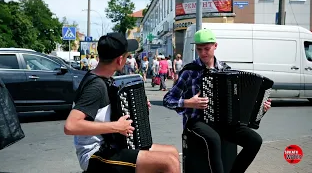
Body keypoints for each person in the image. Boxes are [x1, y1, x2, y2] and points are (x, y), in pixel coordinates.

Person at [64, 32, 180, 173]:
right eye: (126, 56)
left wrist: (138, 107)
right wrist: (117, 127)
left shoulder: (106, 79)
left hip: (112, 144)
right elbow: (71, 125)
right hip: (95, 154)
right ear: (120, 60)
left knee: (172, 152)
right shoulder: (95, 87)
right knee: (167, 163)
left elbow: (109, 111)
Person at [163, 29, 272, 173]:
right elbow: (168, 100)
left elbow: (239, 105)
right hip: (196, 122)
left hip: (224, 122)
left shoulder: (226, 70)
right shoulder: (189, 71)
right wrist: (189, 103)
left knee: (255, 141)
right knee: (214, 139)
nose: (203, 53)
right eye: (199, 49)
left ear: (215, 46)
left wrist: (260, 109)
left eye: (207, 49)